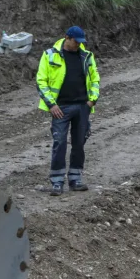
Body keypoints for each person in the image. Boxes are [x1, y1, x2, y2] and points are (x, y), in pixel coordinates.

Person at [35, 26, 100, 196]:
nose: (78, 45)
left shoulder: (87, 56)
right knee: (60, 143)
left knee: (79, 143)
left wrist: (92, 100)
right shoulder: (50, 55)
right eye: (75, 42)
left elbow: (95, 79)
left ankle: (75, 179)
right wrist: (52, 105)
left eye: (80, 43)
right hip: (60, 108)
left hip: (82, 107)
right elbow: (41, 81)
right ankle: (57, 182)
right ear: (67, 38)